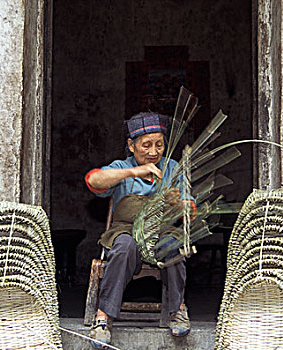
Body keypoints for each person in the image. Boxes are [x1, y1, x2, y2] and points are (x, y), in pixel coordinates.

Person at [85, 112, 193, 349]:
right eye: (146, 145)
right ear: (131, 146)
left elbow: (190, 210)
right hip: (126, 230)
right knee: (123, 246)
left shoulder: (173, 168)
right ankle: (103, 318)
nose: (153, 152)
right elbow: (94, 180)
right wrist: (133, 172)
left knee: (172, 246)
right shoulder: (121, 167)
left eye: (159, 144)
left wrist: (178, 204)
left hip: (163, 231)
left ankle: (178, 309)